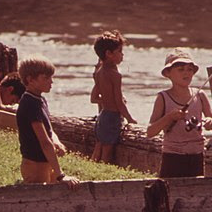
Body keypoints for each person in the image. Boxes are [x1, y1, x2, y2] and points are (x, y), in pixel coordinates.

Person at [147, 50, 212, 178]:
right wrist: (169, 117)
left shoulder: (200, 95)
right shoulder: (162, 97)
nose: (186, 73)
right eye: (181, 69)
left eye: (189, 69)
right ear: (168, 73)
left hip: (197, 156)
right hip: (172, 157)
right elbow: (150, 132)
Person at [16, 55, 79, 187]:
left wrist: (56, 142)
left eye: (51, 77)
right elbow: (44, 142)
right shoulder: (29, 104)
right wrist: (60, 175)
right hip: (35, 165)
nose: (51, 82)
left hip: (46, 161)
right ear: (30, 80)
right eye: (46, 78)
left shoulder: (40, 100)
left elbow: (48, 129)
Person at [91, 30, 137, 163]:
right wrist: (130, 119)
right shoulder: (115, 75)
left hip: (103, 116)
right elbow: (119, 102)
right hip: (112, 117)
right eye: (120, 52)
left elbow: (93, 98)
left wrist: (106, 100)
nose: (122, 55)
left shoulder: (99, 72)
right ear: (109, 54)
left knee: (98, 148)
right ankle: (102, 178)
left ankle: (93, 169)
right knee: (107, 153)